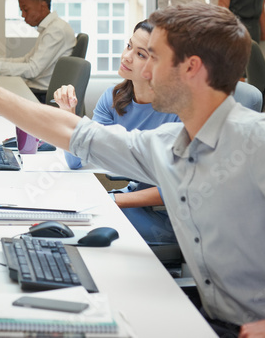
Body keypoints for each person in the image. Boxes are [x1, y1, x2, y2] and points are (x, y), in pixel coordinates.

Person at [0, 3, 265, 337]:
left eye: (153, 57)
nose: (144, 70)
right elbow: (74, 134)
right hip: (211, 318)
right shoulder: (170, 143)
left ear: (191, 68)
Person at [54, 20, 180, 245]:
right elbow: (76, 161)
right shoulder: (113, 98)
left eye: (140, 54)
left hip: (169, 218)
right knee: (70, 214)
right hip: (132, 202)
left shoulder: (179, 111)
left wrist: (113, 199)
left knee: (84, 225)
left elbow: (174, 189)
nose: (127, 57)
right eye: (129, 46)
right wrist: (70, 115)